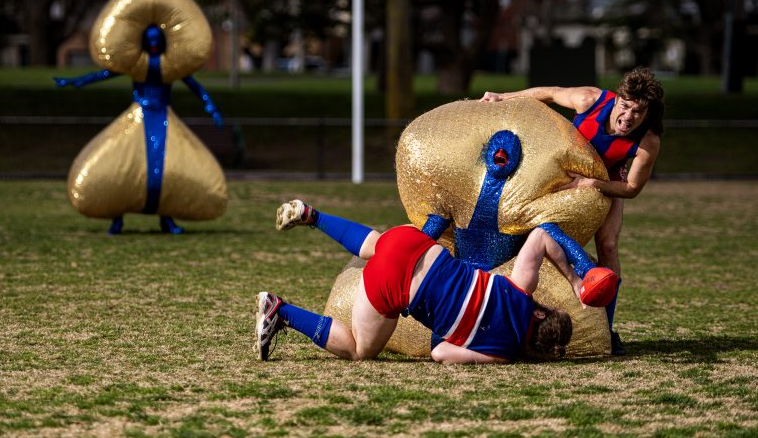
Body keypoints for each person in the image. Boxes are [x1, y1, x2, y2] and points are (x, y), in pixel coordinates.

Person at [255, 199, 585, 364]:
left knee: (376, 245)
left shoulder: (520, 292)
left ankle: (313, 216)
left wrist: (574, 279)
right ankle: (281, 311)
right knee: (359, 350)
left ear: (541, 313)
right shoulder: (500, 352)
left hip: (417, 245)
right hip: (396, 285)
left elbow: (541, 236)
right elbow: (441, 352)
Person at [480, 66, 664, 355]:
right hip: (562, 171)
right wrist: (503, 97)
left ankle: (608, 329)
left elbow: (631, 188)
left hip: (606, 180)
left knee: (609, 245)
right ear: (617, 99)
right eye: (625, 106)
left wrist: (593, 183)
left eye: (638, 113)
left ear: (647, 114)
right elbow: (551, 93)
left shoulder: (648, 142)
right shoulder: (590, 99)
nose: (628, 117)